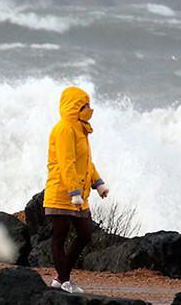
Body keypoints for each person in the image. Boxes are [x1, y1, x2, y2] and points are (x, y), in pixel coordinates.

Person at [43, 86, 109, 294]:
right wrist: (74, 192)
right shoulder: (64, 129)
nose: (89, 109)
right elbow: (66, 164)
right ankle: (63, 281)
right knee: (59, 236)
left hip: (79, 195)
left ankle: (61, 278)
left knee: (85, 234)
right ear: (75, 107)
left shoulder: (81, 129)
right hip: (62, 194)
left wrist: (98, 183)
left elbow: (86, 162)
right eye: (85, 105)